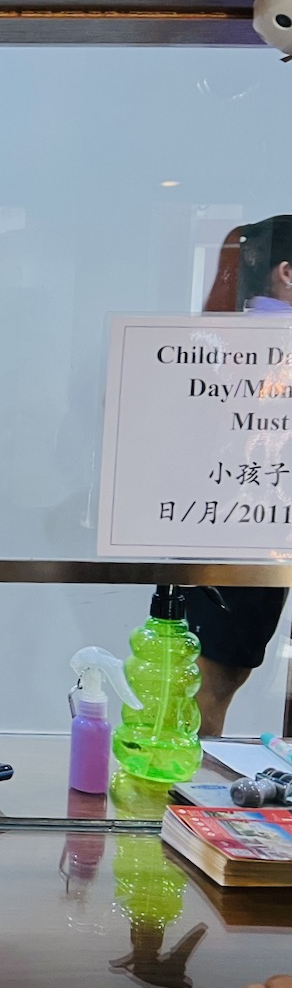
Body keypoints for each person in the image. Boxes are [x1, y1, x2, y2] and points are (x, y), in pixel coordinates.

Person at [191, 215, 292, 736]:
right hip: (246, 533)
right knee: (209, 683)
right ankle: (182, 806)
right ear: (286, 273)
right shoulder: (258, 345)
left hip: (227, 529)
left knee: (205, 682)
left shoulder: (216, 343)